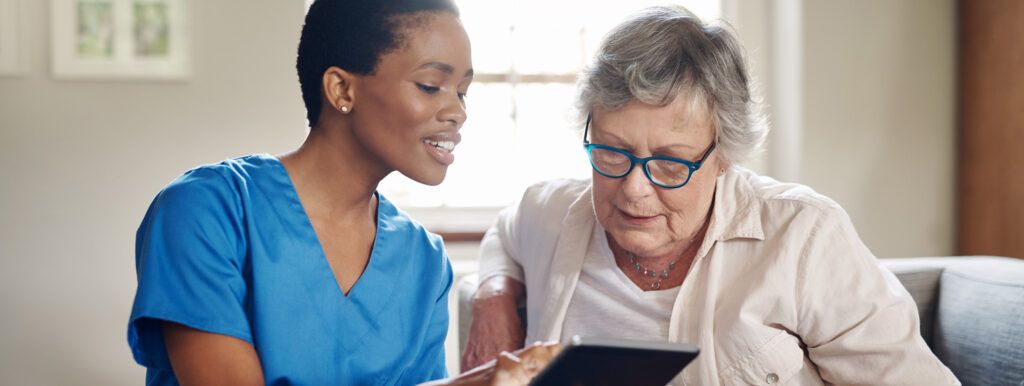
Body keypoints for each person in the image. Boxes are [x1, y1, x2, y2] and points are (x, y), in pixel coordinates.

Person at [463, 5, 960, 385]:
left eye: (669, 163)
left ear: (724, 154)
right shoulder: (549, 213)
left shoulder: (802, 236)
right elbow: (506, 233)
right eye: (612, 153)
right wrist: (494, 295)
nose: (635, 189)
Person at [125, 0, 550, 384]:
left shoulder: (424, 261)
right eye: (430, 86)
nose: (458, 112)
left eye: (462, 92)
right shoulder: (205, 211)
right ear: (342, 89)